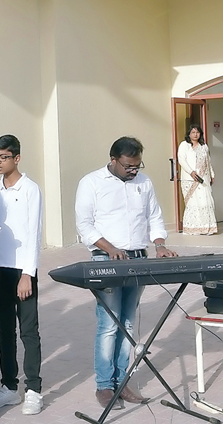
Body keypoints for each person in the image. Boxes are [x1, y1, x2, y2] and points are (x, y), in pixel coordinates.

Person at [75, 137, 177, 408]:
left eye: (137, 165)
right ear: (113, 160)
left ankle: (122, 381)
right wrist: (110, 248)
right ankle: (104, 385)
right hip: (105, 259)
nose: (134, 171)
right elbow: (84, 225)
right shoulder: (91, 183)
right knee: (110, 324)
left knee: (128, 323)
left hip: (137, 258)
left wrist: (160, 244)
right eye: (129, 166)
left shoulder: (144, 182)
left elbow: (154, 217)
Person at [0, 135, 44, 416]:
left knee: (29, 332)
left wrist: (27, 274)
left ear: (17, 158)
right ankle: (9, 387)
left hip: (23, 271)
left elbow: (33, 234)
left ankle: (33, 389)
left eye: (3, 157)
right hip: (0, 271)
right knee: (4, 332)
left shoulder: (31, 189)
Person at [178, 123, 217, 235]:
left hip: (203, 179)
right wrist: (191, 172)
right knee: (193, 203)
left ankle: (206, 228)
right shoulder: (184, 145)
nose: (195, 135)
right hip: (190, 179)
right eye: (193, 132)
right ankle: (192, 228)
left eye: (197, 132)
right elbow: (181, 160)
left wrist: (212, 175)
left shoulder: (204, 146)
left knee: (205, 202)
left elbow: (208, 162)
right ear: (189, 134)